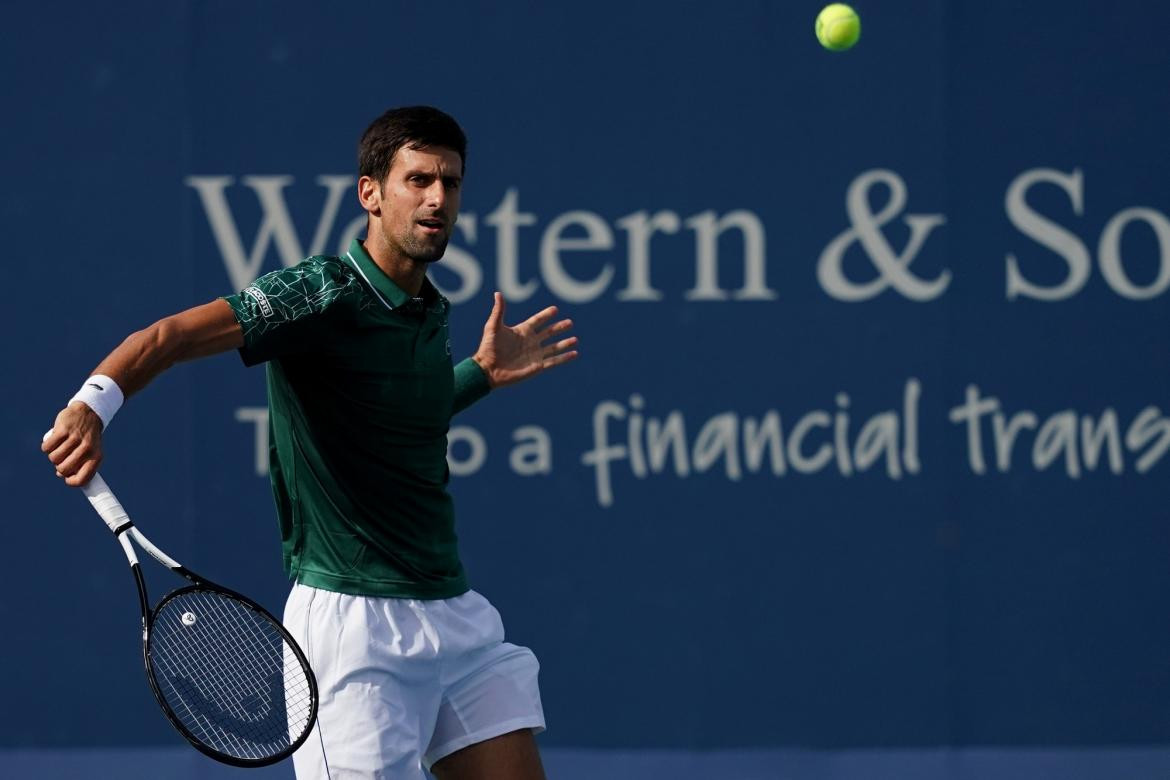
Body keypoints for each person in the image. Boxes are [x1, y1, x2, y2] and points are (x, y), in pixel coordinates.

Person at [42, 106, 576, 780]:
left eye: (450, 182)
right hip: (355, 635)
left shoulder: (427, 306)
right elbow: (170, 337)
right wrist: (93, 403)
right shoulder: (318, 293)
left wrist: (479, 375)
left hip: (455, 614)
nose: (438, 198)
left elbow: (401, 420)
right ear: (371, 194)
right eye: (418, 180)